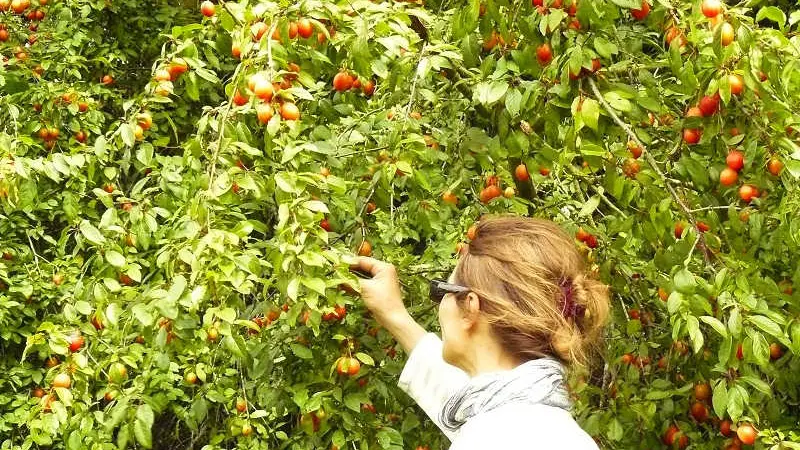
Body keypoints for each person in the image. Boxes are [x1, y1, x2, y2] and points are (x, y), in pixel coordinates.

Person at [352, 215, 610, 449]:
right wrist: (395, 315)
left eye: (442, 291)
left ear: (470, 308)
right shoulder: (540, 425)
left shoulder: (492, 436)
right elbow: (483, 406)